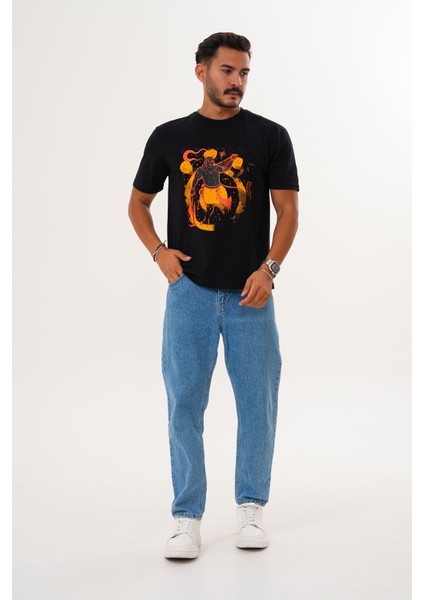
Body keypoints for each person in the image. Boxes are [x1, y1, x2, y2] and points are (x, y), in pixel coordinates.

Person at [128, 32, 299, 559]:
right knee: (184, 404)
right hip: (189, 294)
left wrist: (270, 269)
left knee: (258, 405)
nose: (237, 82)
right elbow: (137, 203)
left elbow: (288, 212)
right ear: (201, 71)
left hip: (252, 295)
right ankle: (186, 516)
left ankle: (251, 507)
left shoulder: (270, 136)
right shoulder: (169, 137)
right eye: (227, 70)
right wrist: (159, 252)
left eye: (244, 72)